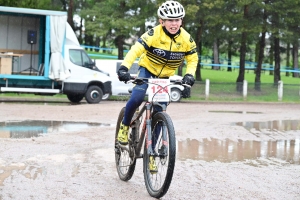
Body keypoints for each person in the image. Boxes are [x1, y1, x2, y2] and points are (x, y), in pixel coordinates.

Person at [117, 0, 198, 173]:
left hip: (165, 77)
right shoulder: (153, 34)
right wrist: (124, 67)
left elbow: (192, 59)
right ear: (162, 21)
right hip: (147, 71)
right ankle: (124, 126)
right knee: (137, 97)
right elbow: (135, 50)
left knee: (159, 113)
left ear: (181, 21)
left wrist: (189, 75)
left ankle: (151, 154)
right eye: (170, 20)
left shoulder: (186, 39)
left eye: (177, 20)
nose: (174, 23)